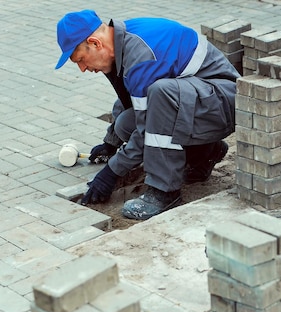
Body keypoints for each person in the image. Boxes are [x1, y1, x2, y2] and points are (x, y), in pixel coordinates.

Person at [55, 10, 238, 219]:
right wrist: (111, 142)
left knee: (161, 95)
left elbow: (145, 132)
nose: (82, 68)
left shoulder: (141, 56)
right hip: (201, 103)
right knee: (125, 124)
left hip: (223, 102)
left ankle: (165, 191)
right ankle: (205, 152)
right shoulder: (121, 42)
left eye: (80, 59)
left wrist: (112, 172)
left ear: (95, 43)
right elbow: (131, 98)